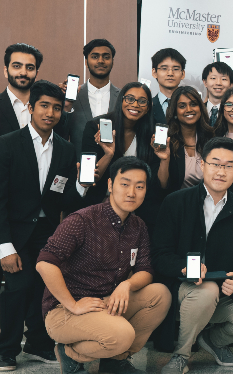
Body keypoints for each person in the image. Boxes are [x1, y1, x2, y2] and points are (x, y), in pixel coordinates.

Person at [0, 43, 62, 361]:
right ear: (6, 70)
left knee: (31, 279)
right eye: (16, 66)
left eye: (29, 67)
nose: (23, 72)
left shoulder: (45, 105)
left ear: (36, 72)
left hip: (35, 213)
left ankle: (35, 339)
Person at [37, 157, 172, 374]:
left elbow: (146, 269)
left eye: (140, 186)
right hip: (65, 311)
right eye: (125, 184)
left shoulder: (137, 226)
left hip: (105, 303)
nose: (132, 192)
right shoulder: (82, 220)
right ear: (110, 185)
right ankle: (69, 353)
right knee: (122, 334)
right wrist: (73, 304)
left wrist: (126, 285)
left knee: (160, 295)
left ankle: (115, 361)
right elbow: (44, 263)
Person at [0, 80, 89, 371]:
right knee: (17, 288)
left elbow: (63, 198)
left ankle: (38, 343)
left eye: (57, 108)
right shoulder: (7, 144)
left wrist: (82, 185)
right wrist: (4, 248)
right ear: (31, 108)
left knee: (43, 290)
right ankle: (5, 349)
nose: (50, 113)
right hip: (14, 233)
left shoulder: (66, 151)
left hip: (47, 232)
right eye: (44, 106)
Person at [151, 138, 233, 374]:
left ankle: (213, 341)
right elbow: (159, 255)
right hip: (183, 291)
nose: (221, 171)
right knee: (205, 291)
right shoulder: (176, 202)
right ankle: (181, 355)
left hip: (222, 292)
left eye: (228, 165)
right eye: (215, 163)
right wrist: (183, 268)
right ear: (202, 165)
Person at [82, 82, 163, 230]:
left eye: (142, 101)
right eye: (130, 98)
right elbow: (90, 178)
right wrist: (108, 154)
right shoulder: (96, 126)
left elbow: (157, 184)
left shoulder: (152, 133)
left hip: (138, 208)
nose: (135, 104)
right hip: (100, 203)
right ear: (121, 101)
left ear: (148, 108)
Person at [157, 86, 215, 193]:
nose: (189, 109)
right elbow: (163, 185)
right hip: (178, 204)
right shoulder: (167, 141)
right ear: (175, 111)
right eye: (182, 106)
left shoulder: (212, 139)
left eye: (193, 104)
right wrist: (164, 159)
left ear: (200, 109)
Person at [68, 38, 120, 148]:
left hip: (114, 163)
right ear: (86, 62)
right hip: (78, 162)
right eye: (95, 56)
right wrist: (66, 106)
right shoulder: (72, 96)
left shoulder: (123, 98)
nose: (101, 61)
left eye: (106, 57)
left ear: (113, 62)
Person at [150, 48, 187, 124]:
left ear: (183, 74)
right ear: (154, 72)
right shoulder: (148, 106)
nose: (170, 73)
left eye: (176, 69)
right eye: (164, 68)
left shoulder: (190, 106)